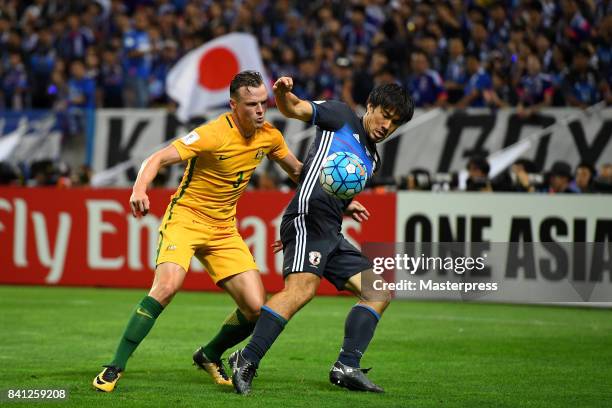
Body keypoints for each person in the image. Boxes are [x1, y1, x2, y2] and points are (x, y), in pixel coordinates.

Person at [93, 71, 302, 392]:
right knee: (166, 287)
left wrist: (340, 199)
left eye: (264, 103)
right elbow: (157, 157)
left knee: (255, 307)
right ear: (234, 105)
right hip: (186, 219)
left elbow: (301, 172)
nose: (260, 110)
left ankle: (209, 354)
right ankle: (114, 366)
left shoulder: (270, 136)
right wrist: (139, 189)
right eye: (251, 104)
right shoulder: (212, 134)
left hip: (223, 229)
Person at [229, 76, 414, 394]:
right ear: (370, 105)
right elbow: (295, 109)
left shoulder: (372, 159)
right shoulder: (340, 116)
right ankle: (245, 359)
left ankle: (347, 366)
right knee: (301, 290)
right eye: (384, 113)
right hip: (308, 219)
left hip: (329, 229)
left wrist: (347, 204)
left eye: (395, 122)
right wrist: (283, 94)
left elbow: (326, 179)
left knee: (378, 292)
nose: (387, 125)